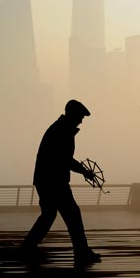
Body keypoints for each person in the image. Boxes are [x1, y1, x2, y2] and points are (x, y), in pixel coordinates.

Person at [22, 99, 102, 266]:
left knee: (49, 214)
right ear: (73, 114)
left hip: (46, 180)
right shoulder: (63, 131)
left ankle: (28, 246)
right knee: (72, 214)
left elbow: (63, 159)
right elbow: (64, 159)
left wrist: (81, 170)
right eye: (80, 116)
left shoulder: (60, 128)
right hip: (54, 182)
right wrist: (84, 171)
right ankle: (82, 251)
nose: (81, 120)